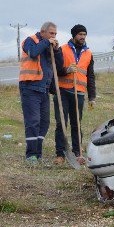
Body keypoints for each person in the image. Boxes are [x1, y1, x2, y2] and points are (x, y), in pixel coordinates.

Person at [19, 21, 63, 164]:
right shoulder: (30, 40)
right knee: (33, 121)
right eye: (51, 33)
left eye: (55, 34)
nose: (54, 36)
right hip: (30, 87)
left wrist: (56, 50)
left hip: (44, 89)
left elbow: (60, 65)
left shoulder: (49, 45)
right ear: (43, 32)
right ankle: (30, 154)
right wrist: (46, 43)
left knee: (44, 122)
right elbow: (33, 53)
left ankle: (38, 153)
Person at [54, 24, 96, 165]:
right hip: (63, 91)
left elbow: (90, 76)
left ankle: (77, 153)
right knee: (62, 123)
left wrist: (92, 97)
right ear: (74, 35)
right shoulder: (62, 49)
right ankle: (60, 154)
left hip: (78, 93)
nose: (82, 37)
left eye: (84, 34)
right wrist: (66, 70)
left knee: (76, 124)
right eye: (80, 34)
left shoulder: (88, 53)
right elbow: (56, 70)